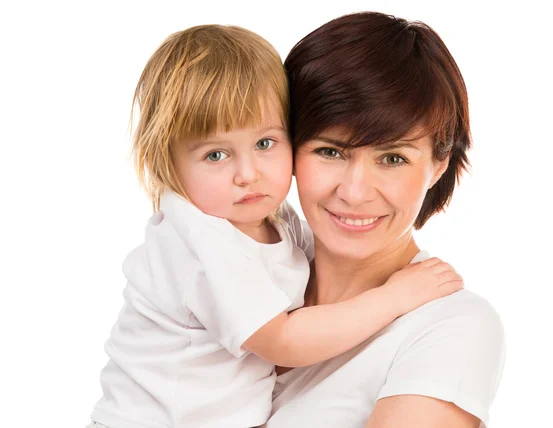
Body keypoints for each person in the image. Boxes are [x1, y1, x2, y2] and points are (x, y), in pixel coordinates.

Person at [88, 24, 463, 428]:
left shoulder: (274, 221)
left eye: (265, 144)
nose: (247, 174)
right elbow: (283, 341)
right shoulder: (201, 242)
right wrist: (394, 298)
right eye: (216, 155)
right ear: (168, 163)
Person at [263, 12, 505, 428]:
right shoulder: (242, 274)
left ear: (439, 164)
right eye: (330, 151)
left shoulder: (452, 328)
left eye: (393, 158)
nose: (355, 192)